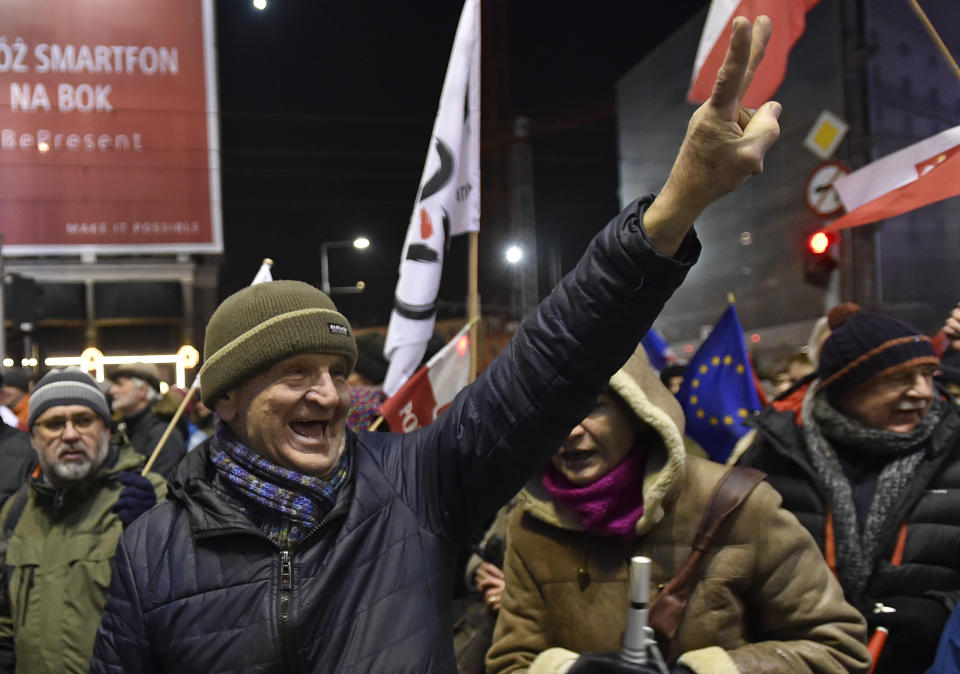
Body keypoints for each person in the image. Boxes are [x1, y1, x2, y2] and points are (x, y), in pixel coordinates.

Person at [89, 16, 782, 672]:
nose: (329, 394)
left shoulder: (414, 484)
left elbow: (551, 362)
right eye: (295, 371)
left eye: (336, 370)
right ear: (229, 399)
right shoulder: (154, 548)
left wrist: (674, 208)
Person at [486, 346, 869, 674]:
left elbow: (837, 649)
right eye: (552, 413)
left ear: (637, 410)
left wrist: (704, 671)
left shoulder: (740, 506)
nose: (569, 430)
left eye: (591, 407)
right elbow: (510, 662)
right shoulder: (531, 524)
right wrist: (573, 671)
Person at [734, 303, 960, 674]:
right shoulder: (774, 454)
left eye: (928, 374)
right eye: (899, 378)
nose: (922, 392)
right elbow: (733, 572)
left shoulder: (954, 450)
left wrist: (944, 610)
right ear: (846, 387)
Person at [0, 368, 165, 673]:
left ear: (105, 429)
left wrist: (153, 536)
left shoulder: (149, 496)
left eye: (84, 420)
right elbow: (5, 626)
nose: (71, 434)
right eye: (53, 424)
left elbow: (179, 618)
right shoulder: (15, 511)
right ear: (34, 438)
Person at [109, 362, 187, 477]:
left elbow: (161, 487)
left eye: (120, 384)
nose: (112, 391)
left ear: (143, 390)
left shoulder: (163, 433)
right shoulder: (122, 427)